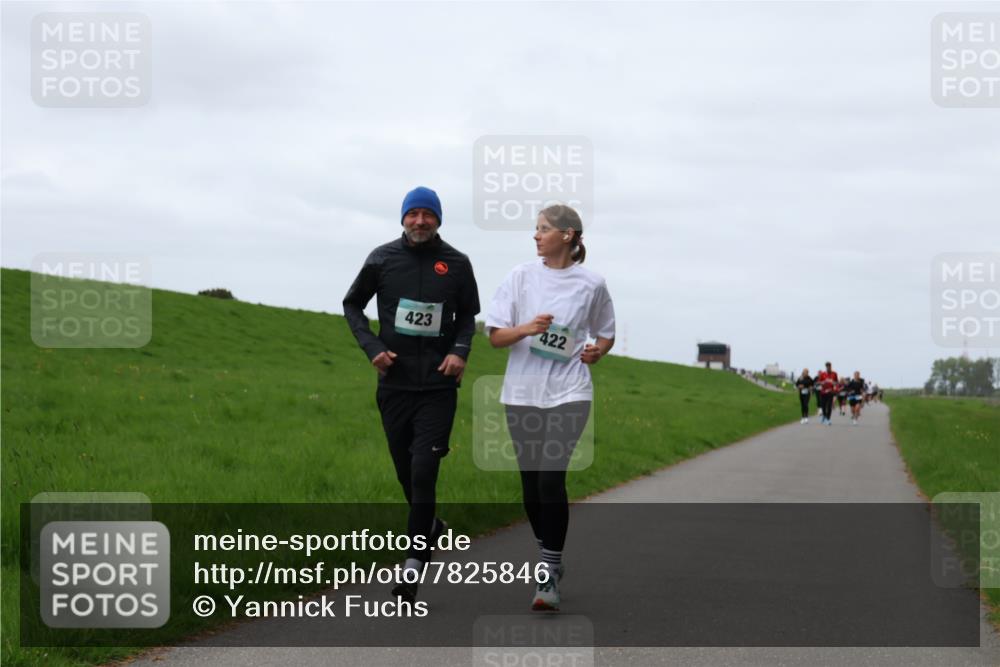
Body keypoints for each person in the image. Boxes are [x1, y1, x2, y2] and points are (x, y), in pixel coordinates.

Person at [343, 186, 480, 604]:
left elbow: (467, 319)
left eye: (428, 215)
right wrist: (372, 349)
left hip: (438, 385)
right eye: (413, 214)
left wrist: (459, 352)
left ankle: (413, 565)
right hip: (395, 385)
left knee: (423, 470)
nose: (420, 221)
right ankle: (431, 526)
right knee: (405, 471)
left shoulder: (456, 263)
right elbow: (352, 306)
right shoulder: (382, 259)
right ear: (403, 218)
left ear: (438, 219)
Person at [485, 204, 615, 612]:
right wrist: (525, 329)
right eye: (536, 229)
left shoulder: (591, 283)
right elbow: (494, 336)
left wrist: (598, 352)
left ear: (569, 235)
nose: (536, 235)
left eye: (543, 229)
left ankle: (547, 572)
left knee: (549, 480)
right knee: (530, 487)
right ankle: (552, 558)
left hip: (569, 392)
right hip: (522, 394)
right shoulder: (520, 277)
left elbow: (606, 333)